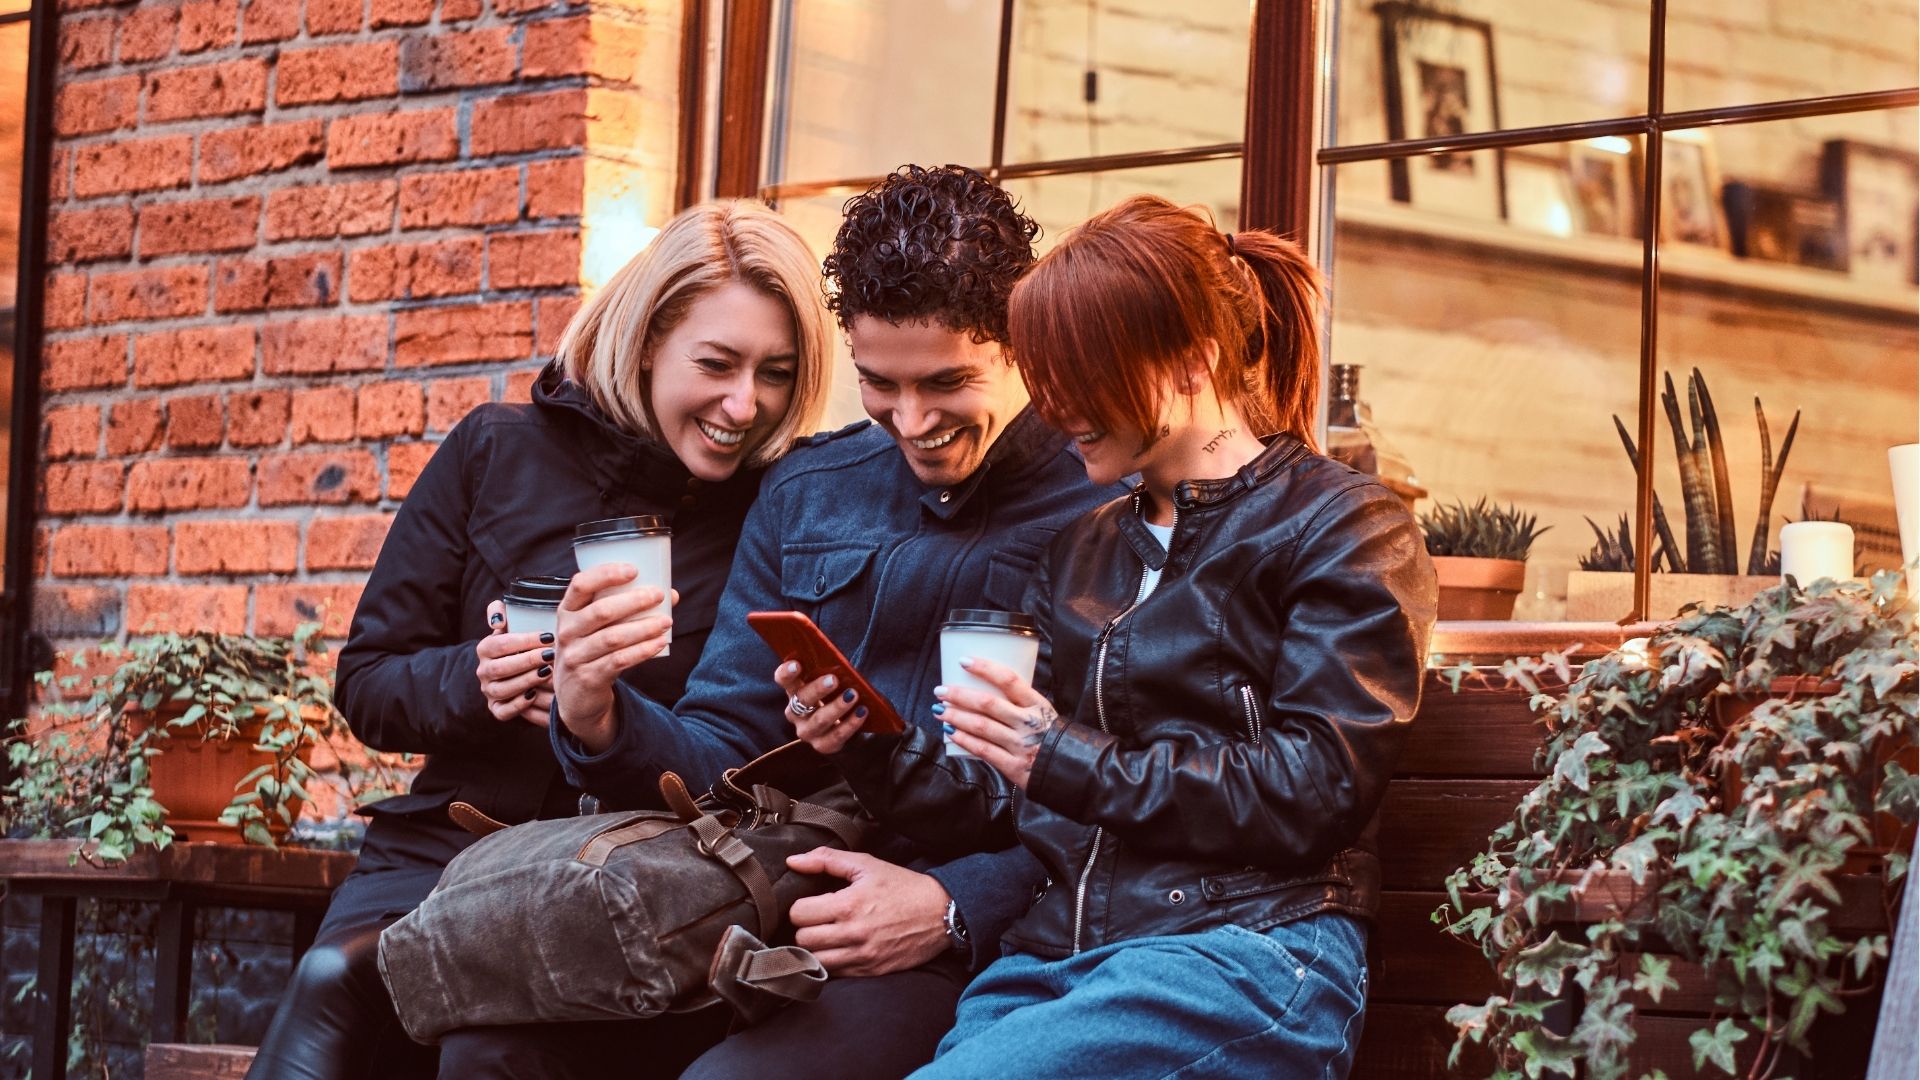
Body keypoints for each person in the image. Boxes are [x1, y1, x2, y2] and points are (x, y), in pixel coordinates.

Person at [434, 164, 1123, 1079]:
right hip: (760, 902)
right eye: (880, 385)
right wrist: (595, 712)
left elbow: (1129, 792)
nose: (912, 423)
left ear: (1022, 345)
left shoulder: (1109, 504)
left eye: (947, 383)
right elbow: (725, 742)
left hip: (961, 944)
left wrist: (952, 904)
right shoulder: (807, 492)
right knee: (494, 1052)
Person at [792, 195, 1438, 1079]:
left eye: (1078, 375)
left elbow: (1314, 787)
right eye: (1045, 374)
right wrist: (869, 744)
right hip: (1053, 961)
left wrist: (1057, 753)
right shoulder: (1083, 549)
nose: (1055, 408)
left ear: (1190, 362)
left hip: (1243, 953)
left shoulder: (1343, 526)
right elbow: (1010, 799)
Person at [246, 200, 833, 1080]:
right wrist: (474, 682)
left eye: (776, 373)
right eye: (716, 363)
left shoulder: (776, 510)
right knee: (343, 981)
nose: (744, 403)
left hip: (633, 878)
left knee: (488, 1047)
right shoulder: (496, 451)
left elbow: (738, 748)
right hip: (444, 847)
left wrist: (600, 712)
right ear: (645, 342)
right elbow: (366, 681)